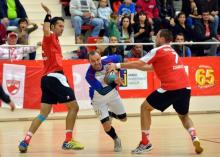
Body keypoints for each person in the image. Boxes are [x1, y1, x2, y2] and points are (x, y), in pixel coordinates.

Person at [108, 29, 204, 154]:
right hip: (185, 88)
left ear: (162, 39)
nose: (155, 38)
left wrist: (117, 65)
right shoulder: (171, 50)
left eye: (157, 36)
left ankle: (145, 143)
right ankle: (194, 137)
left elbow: (138, 63)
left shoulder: (157, 50)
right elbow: (152, 67)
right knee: (184, 116)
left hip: (171, 87)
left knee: (144, 108)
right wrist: (140, 68)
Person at [18, 3, 84, 153]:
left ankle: (25, 140)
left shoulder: (54, 40)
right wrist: (48, 13)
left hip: (46, 79)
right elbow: (46, 29)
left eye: (62, 26)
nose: (62, 28)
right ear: (54, 27)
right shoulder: (50, 36)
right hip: (55, 76)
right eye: (60, 26)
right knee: (74, 107)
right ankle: (68, 141)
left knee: (43, 114)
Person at [85, 51, 127, 152]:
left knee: (124, 119)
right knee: (106, 126)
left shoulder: (107, 60)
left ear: (101, 57)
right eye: (93, 61)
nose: (97, 63)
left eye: (98, 59)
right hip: (98, 100)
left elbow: (120, 58)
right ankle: (116, 139)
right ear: (89, 62)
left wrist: (117, 71)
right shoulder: (89, 75)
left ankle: (110, 114)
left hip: (113, 96)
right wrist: (115, 83)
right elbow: (102, 91)